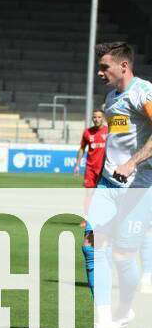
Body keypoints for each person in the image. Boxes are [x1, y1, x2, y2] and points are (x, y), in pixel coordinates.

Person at [86, 42, 152, 328]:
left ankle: (124, 310)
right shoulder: (111, 97)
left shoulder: (143, 93)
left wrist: (132, 161)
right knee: (91, 246)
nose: (100, 73)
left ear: (123, 66)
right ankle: (104, 323)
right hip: (107, 185)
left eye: (105, 67)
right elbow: (119, 136)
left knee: (124, 254)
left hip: (138, 187)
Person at [74, 109, 107, 290]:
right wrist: (77, 163)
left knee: (101, 197)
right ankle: (87, 218)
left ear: (103, 118)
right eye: (94, 117)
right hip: (90, 169)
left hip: (104, 170)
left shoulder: (108, 132)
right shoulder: (88, 133)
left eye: (99, 117)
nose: (96, 119)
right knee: (88, 194)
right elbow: (81, 148)